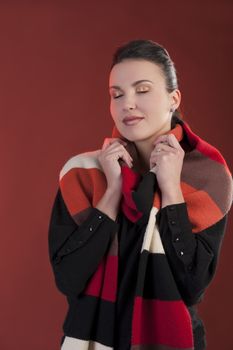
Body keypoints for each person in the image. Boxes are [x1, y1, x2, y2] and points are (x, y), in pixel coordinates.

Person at [48, 40, 232, 350]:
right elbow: (69, 278)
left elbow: (192, 285)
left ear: (173, 99)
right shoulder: (82, 173)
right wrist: (111, 194)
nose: (127, 104)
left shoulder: (208, 178)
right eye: (116, 94)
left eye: (142, 90)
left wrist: (171, 189)